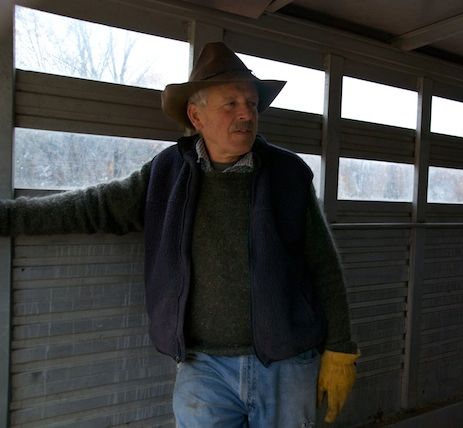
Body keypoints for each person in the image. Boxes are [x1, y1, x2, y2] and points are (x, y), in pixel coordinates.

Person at [0, 42, 359, 427]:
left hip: (285, 364)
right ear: (196, 115)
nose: (246, 114)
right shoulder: (167, 173)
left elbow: (323, 263)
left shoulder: (288, 174)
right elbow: (94, 206)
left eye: (252, 104)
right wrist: (7, 215)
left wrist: (340, 347)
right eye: (231, 103)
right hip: (203, 368)